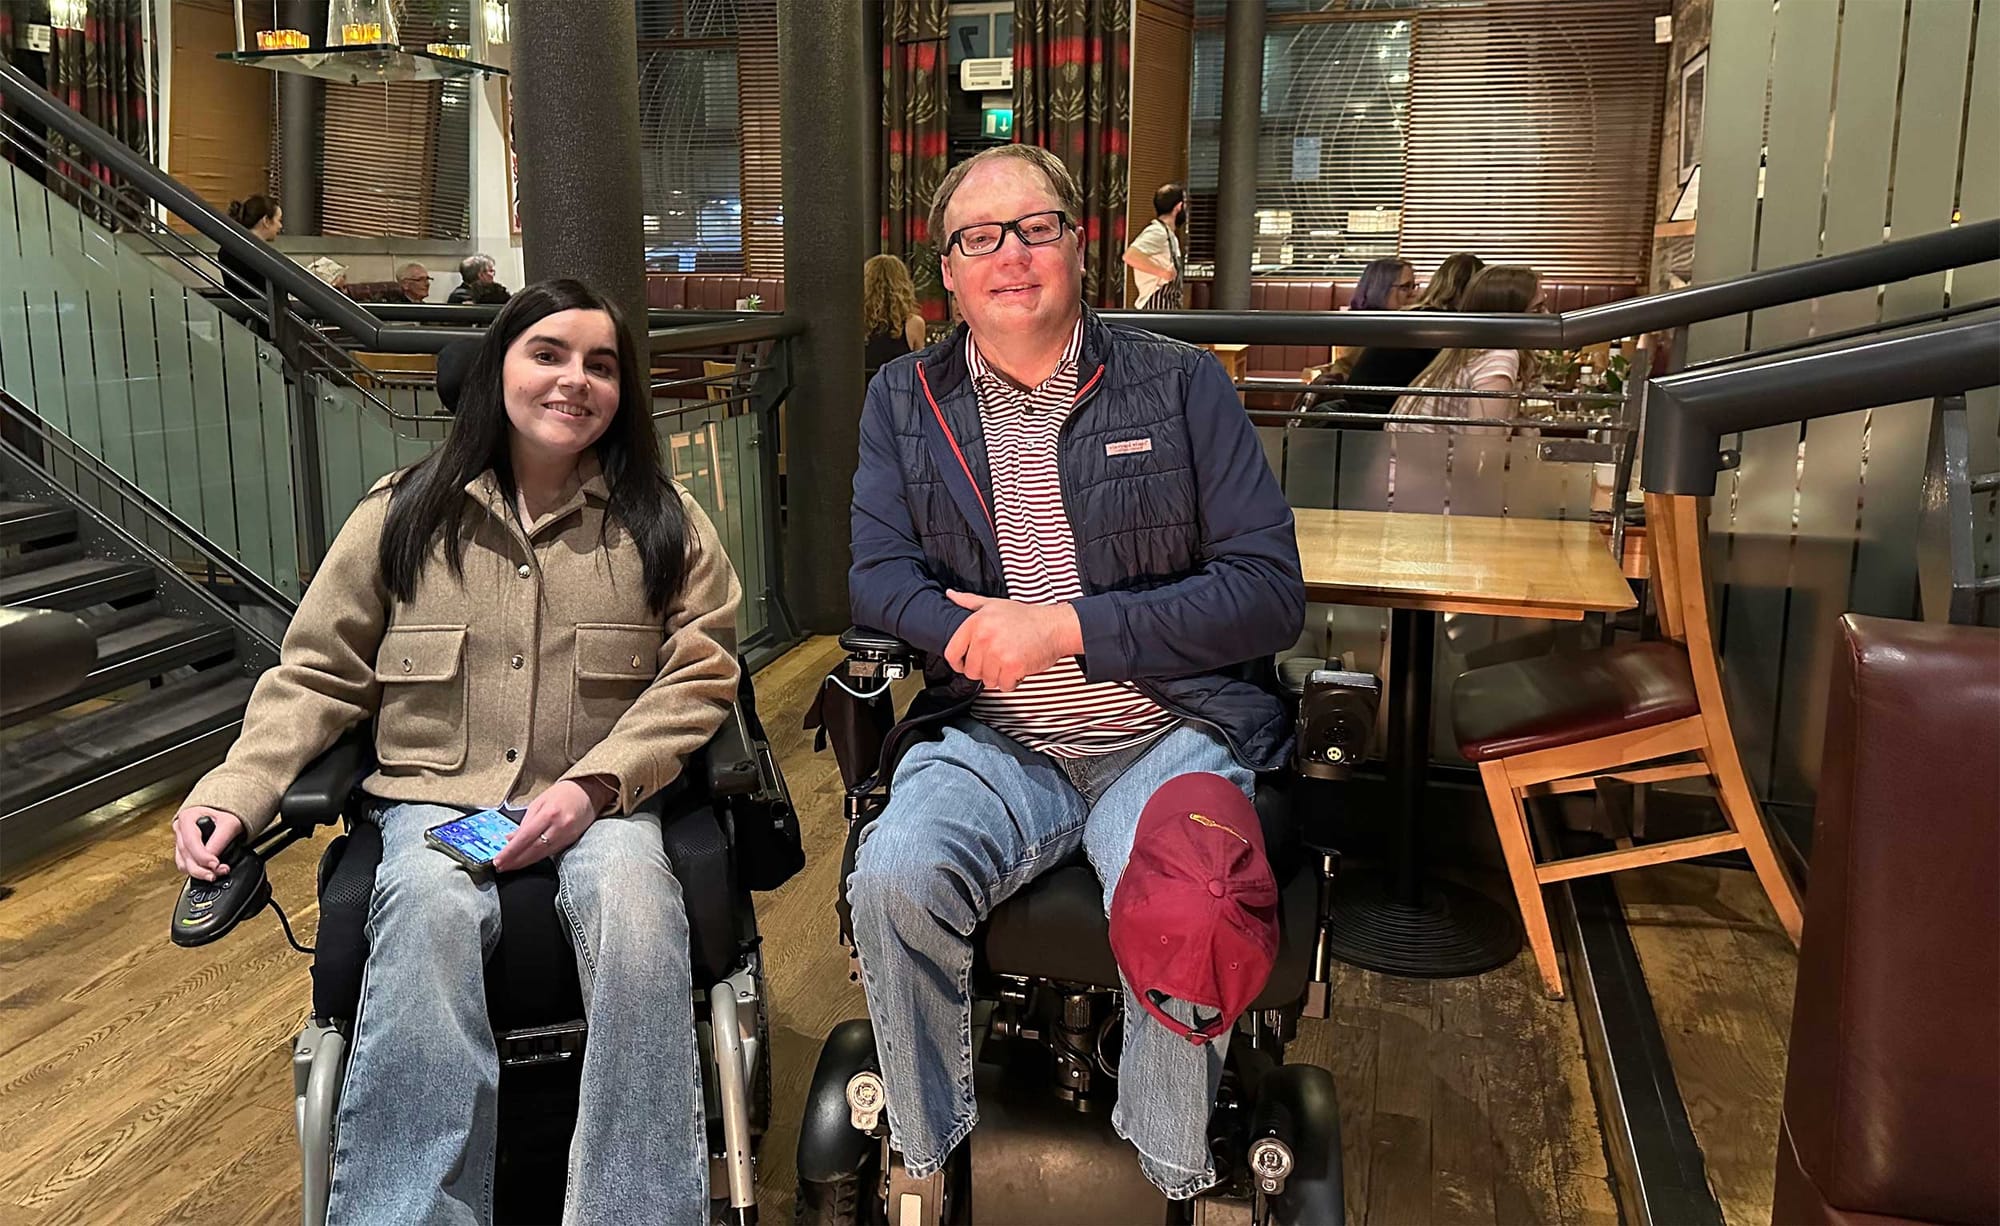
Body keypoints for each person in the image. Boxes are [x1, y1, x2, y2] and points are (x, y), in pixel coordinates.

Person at [169, 279, 742, 1223]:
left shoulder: (663, 522)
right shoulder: (402, 516)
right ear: (498, 372)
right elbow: (318, 673)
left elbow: (701, 672)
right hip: (436, 802)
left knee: (638, 908)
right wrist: (240, 790)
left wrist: (598, 785)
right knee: (428, 909)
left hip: (601, 803)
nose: (575, 381)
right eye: (548, 354)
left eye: (601, 364)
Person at [846, 144, 1304, 1201]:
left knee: (1191, 901)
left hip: (1168, 727)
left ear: (1077, 244)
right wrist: (974, 640)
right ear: (948, 273)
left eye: (1034, 227)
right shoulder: (903, 400)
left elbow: (1267, 590)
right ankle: (924, 1148)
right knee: (892, 873)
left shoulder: (1181, 384)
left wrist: (1062, 628)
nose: (1009, 254)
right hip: (992, 734)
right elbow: (876, 580)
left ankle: (1169, 1164)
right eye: (978, 237)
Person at [1389, 264, 1545, 432]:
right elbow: (1482, 452)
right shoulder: (1499, 356)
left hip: (1402, 454)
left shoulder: (1471, 350)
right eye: (1537, 309)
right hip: (1417, 458)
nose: (1548, 315)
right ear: (1511, 314)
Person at [1122, 182, 1186, 309]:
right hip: (1154, 306)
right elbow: (1130, 256)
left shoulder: (1169, 235)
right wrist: (1163, 272)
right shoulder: (1157, 232)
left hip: (1168, 306)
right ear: (1179, 206)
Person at [862, 252, 927, 375]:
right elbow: (920, 371)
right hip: (897, 392)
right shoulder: (914, 324)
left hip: (859, 392)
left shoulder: (854, 322)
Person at [218, 195, 283, 300]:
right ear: (266, 221)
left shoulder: (227, 249)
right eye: (278, 220)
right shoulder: (262, 257)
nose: (280, 226)